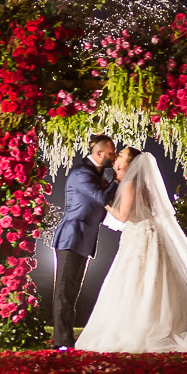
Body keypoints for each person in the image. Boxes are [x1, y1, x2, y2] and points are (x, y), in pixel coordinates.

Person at [74, 146, 187, 354]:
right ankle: (163, 322)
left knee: (136, 279)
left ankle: (140, 326)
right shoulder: (142, 183)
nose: (116, 159)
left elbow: (122, 216)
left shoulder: (130, 184)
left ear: (130, 164)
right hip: (150, 234)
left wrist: (104, 204)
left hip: (139, 237)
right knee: (155, 279)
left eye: (121, 156)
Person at [51, 133, 117, 348]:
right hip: (71, 238)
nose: (114, 157)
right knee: (64, 293)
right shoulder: (81, 173)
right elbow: (101, 198)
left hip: (83, 240)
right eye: (111, 152)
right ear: (99, 153)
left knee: (71, 293)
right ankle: (62, 342)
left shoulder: (94, 174)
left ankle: (67, 339)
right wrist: (117, 179)